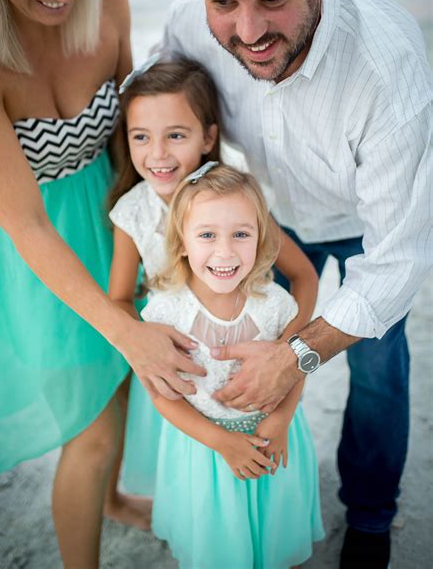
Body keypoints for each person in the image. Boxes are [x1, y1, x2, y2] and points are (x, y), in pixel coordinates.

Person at [160, 0, 432, 566]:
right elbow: (162, 111)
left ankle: (370, 518)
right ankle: (258, 499)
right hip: (265, 220)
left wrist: (302, 350)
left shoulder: (389, 64)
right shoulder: (192, 17)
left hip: (364, 218)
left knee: (376, 368)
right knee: (239, 349)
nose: (247, 30)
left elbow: (399, 260)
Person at [0, 0, 206, 566]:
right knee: (90, 432)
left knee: (122, 390)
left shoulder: (113, 1)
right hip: (35, 253)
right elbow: (27, 224)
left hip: (117, 223)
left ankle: (112, 501)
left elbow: (132, 137)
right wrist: (123, 326)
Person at [104, 55, 318, 512]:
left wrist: (288, 354)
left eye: (175, 135)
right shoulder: (134, 212)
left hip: (248, 354)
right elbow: (119, 300)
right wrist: (143, 347)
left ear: (209, 137)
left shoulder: (234, 199)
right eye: (141, 137)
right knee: (200, 492)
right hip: (182, 370)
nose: (157, 154)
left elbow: (303, 276)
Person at [142, 162, 324, 569]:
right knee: (218, 547)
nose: (225, 252)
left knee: (278, 536)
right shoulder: (165, 313)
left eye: (241, 234)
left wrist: (280, 420)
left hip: (272, 435)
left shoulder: (275, 304)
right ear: (183, 243)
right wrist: (221, 442)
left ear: (261, 241)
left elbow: (295, 368)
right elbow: (161, 395)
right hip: (205, 447)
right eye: (207, 235)